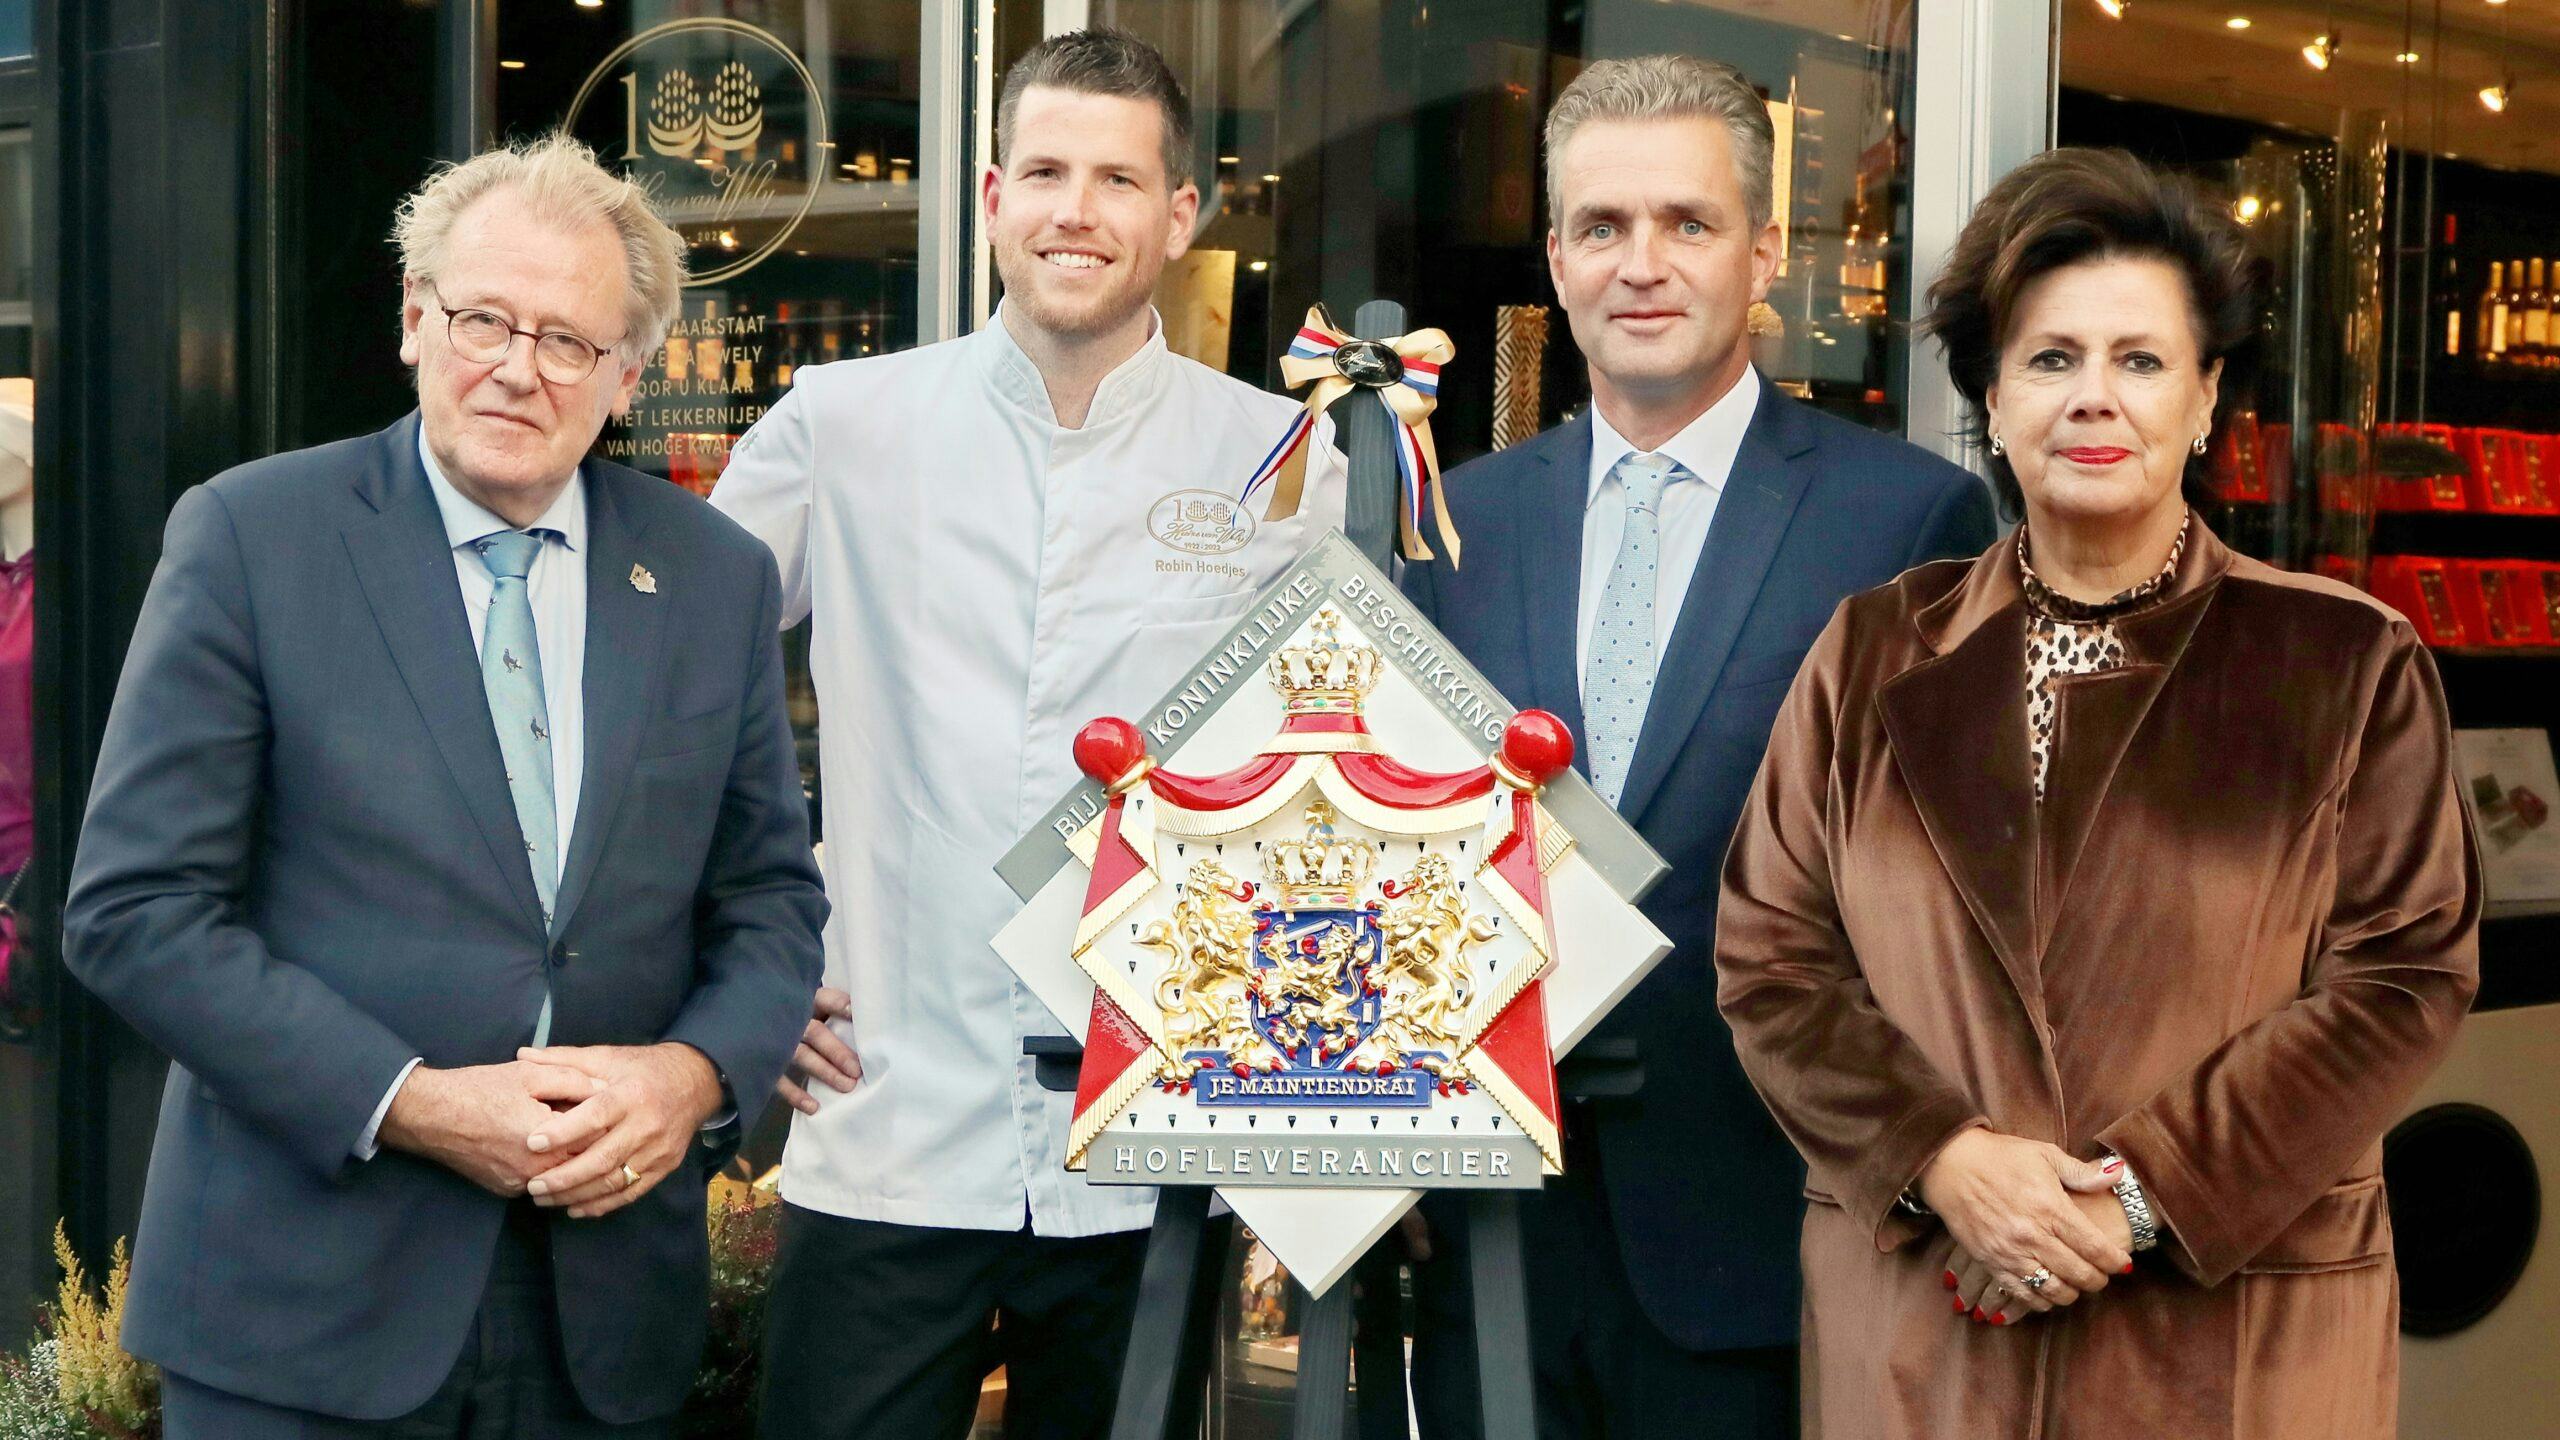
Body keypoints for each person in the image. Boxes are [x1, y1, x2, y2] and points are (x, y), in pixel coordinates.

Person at [62, 135, 828, 1438]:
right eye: (484, 320)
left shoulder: (712, 576)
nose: (517, 369)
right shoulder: (253, 537)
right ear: (417, 320)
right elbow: (134, 911)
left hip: (601, 1322)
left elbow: (768, 903)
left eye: (569, 341)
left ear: (628, 374)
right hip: (301, 1311)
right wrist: (410, 1102)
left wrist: (691, 1081)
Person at [1714, 147, 2481, 1439]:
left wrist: (2130, 1199)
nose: (2095, 399)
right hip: (1928, 1324)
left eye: (2140, 360)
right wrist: (1945, 1162)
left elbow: (2403, 975)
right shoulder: (1876, 649)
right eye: (2051, 359)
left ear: (2206, 396)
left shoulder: (2342, 659)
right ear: (1994, 399)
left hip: (2232, 1332)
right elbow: (1771, 955)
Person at [710, 29, 1344, 1440]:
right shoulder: (842, 421)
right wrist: (732, 964)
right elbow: (666, 694)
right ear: (992, 194)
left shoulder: (1282, 462)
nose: (1076, 209)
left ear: (1181, 215)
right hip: (882, 1122)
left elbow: (1328, 801)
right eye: (1046, 170)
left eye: (1118, 178)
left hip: (1148, 1146)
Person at [1398, 54, 1996, 1440]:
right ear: (1555, 257)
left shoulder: (1904, 524)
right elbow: (1416, 855)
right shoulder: (1461, 524)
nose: (1642, 264)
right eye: (1602, 227)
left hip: (1766, 1246)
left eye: (1689, 222)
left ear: (1765, 250)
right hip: (1490, 1246)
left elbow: (1952, 912)